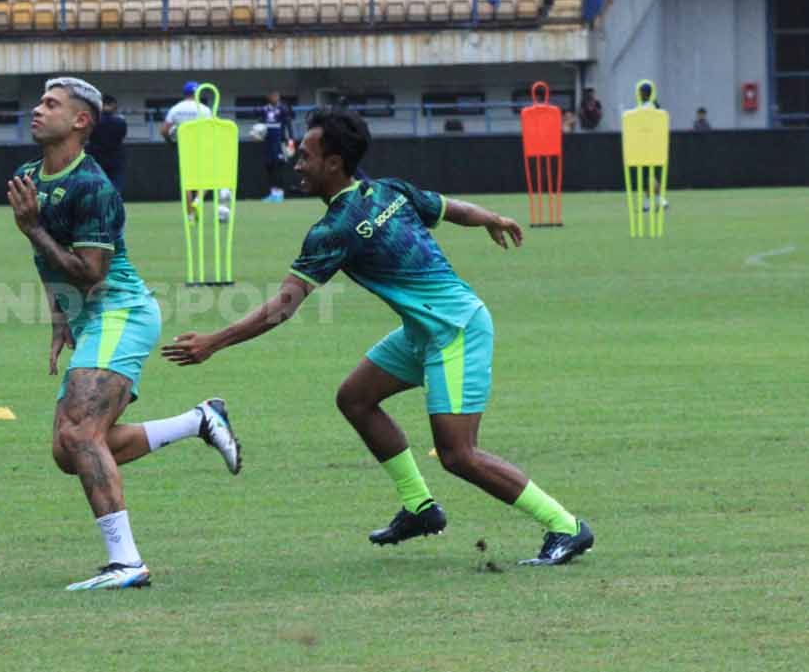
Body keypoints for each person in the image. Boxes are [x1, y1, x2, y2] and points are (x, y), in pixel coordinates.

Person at [162, 108, 593, 567]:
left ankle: (565, 526)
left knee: (458, 454)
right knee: (355, 398)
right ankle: (420, 508)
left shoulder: (334, 229)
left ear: (334, 163)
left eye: (305, 155)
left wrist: (214, 341)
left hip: (455, 331)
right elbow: (449, 208)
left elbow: (284, 306)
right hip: (425, 329)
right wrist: (493, 218)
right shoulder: (389, 190)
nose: (297, 164)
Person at [5, 77, 241, 591]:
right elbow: (47, 261)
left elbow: (90, 271)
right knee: (69, 453)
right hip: (92, 316)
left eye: (51, 104)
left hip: (121, 311)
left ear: (80, 121)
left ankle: (127, 563)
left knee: (78, 434)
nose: (37, 110)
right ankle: (199, 421)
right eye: (40, 102)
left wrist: (33, 228)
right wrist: (59, 315)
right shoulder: (29, 175)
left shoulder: (94, 188)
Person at [160, 80, 213, 220]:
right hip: (201, 147)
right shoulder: (205, 109)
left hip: (183, 148)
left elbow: (164, 130)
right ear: (197, 93)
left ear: (184, 93)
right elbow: (211, 130)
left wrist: (171, 141)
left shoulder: (176, 109)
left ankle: (189, 216)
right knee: (206, 178)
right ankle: (198, 200)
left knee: (187, 182)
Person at [86, 94, 128, 194]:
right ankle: (113, 204)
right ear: (113, 105)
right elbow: (122, 136)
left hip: (96, 157)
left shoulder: (93, 121)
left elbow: (87, 137)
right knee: (115, 185)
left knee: (96, 185)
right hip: (115, 158)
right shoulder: (120, 122)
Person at [258, 91, 295, 203]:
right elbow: (260, 122)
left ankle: (280, 194)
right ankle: (273, 193)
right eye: (272, 95)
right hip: (268, 142)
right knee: (269, 166)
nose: (275, 97)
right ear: (268, 97)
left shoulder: (283, 109)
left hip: (279, 142)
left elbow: (289, 124)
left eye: (276, 95)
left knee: (278, 166)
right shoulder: (265, 109)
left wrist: (291, 141)